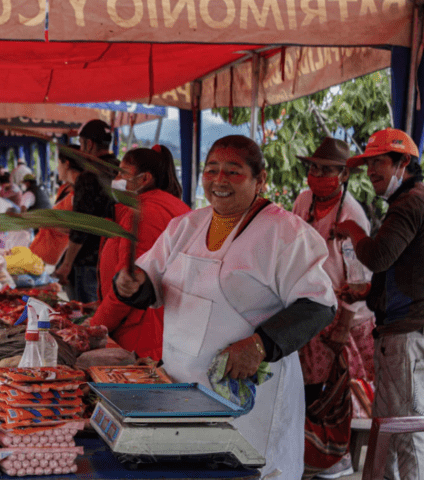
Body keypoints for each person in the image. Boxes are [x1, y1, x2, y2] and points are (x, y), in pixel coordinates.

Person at [115, 135, 337, 478]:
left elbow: (319, 304)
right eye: (211, 170)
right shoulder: (185, 226)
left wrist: (260, 345)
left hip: (248, 398)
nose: (218, 180)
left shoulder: (285, 233)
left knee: (247, 468)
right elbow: (150, 280)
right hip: (181, 388)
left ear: (259, 179)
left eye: (233, 172)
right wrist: (132, 284)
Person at [334, 128, 424, 480]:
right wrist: (368, 292)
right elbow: (407, 269)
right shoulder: (410, 201)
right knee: (389, 425)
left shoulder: (410, 203)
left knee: (405, 429)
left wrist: (354, 230)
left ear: (403, 163)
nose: (372, 172)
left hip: (406, 334)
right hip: (403, 330)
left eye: (379, 163)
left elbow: (379, 255)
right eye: (368, 164)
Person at [292, 138, 376, 478]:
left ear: (342, 175)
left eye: (326, 170)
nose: (317, 174)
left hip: (342, 317)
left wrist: (342, 326)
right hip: (309, 311)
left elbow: (358, 276)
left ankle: (335, 456)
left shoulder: (353, 214)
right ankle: (313, 453)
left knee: (335, 392)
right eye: (313, 167)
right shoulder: (303, 200)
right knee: (307, 390)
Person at [89, 145, 190, 361]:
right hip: (162, 332)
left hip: (142, 338)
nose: (117, 178)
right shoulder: (170, 206)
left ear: (144, 179)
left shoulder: (144, 213)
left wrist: (94, 327)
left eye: (122, 173)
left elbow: (128, 286)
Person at [53, 121, 118, 303]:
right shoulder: (121, 170)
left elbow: (81, 225)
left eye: (81, 145)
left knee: (85, 316)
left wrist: (66, 264)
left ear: (89, 144)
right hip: (116, 257)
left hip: (89, 262)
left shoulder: (89, 175)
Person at [29, 146, 79, 266]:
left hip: (54, 260)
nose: (57, 168)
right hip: (39, 254)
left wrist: (46, 221)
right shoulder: (65, 188)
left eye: (58, 163)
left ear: (66, 164)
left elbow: (77, 229)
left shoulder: (78, 194)